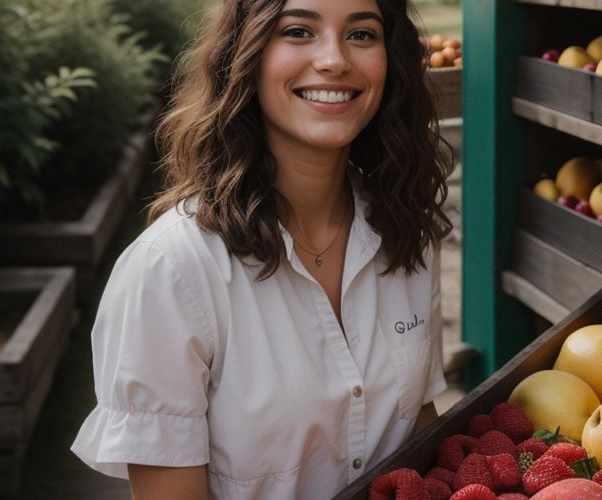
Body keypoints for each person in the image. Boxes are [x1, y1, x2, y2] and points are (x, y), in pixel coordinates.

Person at [71, 0, 454, 497]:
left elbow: (417, 433)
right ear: (245, 56)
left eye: (362, 35)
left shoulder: (408, 233)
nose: (335, 59)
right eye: (298, 31)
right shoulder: (170, 271)